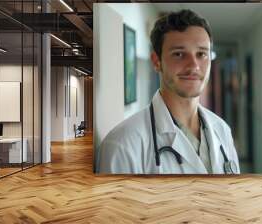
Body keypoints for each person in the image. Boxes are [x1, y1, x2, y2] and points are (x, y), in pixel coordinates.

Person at [98, 9, 239, 174]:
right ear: (157, 62)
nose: (194, 65)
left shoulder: (222, 130)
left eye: (201, 54)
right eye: (179, 54)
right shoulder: (122, 145)